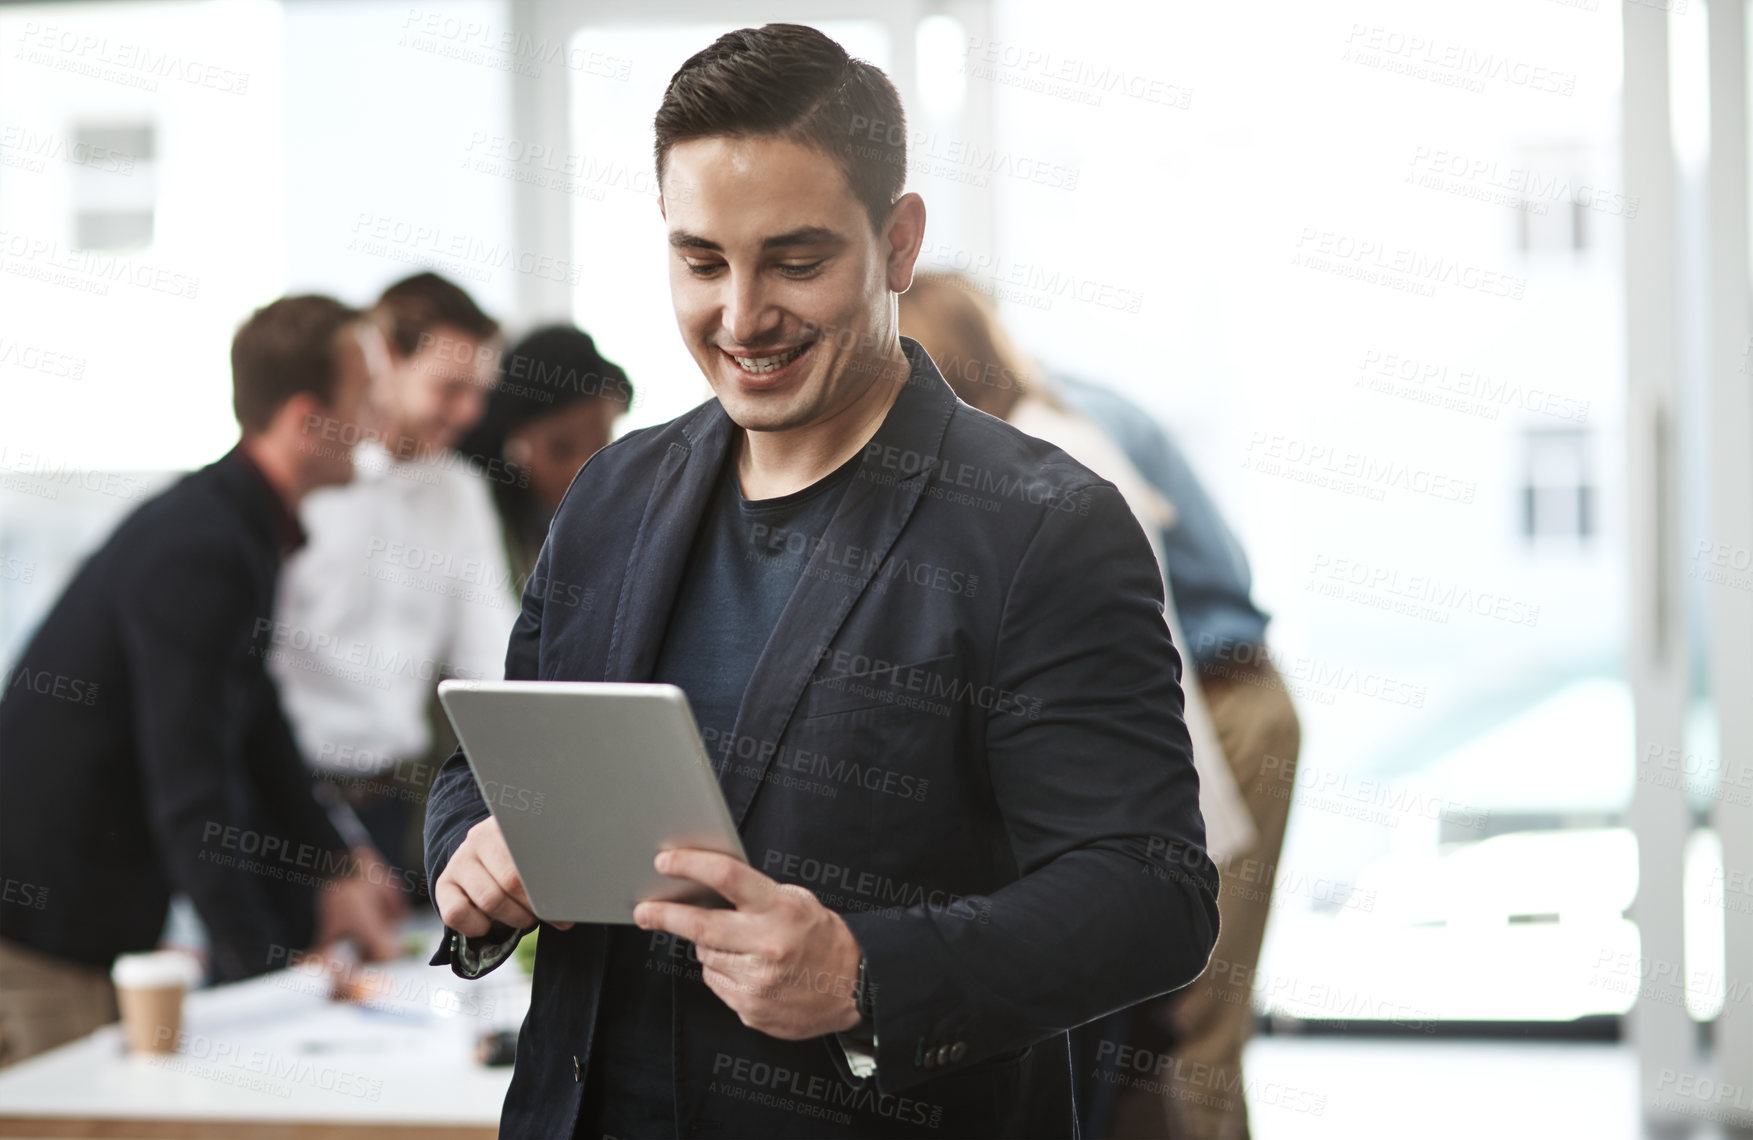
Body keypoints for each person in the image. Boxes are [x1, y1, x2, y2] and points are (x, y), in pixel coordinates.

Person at [423, 23, 1218, 1138]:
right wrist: (470, 849)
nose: (742, 317)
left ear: (897, 243)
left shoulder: (1045, 527)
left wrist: (865, 974)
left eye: (795, 262)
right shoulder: (611, 495)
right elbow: (489, 764)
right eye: (701, 262)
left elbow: (1151, 895)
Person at [900, 273, 1301, 1140]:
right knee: (1137, 1052)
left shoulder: (1056, 451)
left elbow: (1137, 667)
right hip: (1189, 732)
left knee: (1193, 1039)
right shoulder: (1024, 437)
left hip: (1223, 716)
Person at [0, 296, 402, 1068]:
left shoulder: (232, 528)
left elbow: (256, 722)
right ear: (306, 419)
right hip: (43, 940)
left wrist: (335, 858)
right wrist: (265, 983)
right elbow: (191, 787)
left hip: (79, 925)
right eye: (367, 400)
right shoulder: (204, 550)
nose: (383, 422)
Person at [270, 273, 514, 889]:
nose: (470, 412)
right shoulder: (312, 480)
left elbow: (494, 661)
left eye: (479, 392)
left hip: (393, 809)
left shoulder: (460, 493)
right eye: (450, 388)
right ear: (388, 362)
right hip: (282, 799)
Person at [454, 325, 634, 591]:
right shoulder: (474, 517)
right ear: (514, 438)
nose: (580, 470)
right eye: (561, 449)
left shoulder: (620, 517)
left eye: (601, 448)